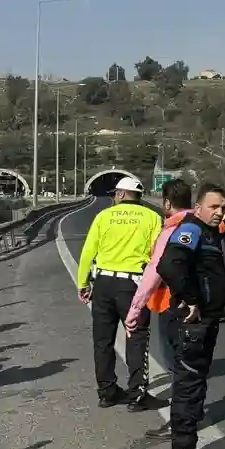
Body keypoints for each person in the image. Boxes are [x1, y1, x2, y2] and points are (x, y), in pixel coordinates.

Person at [157, 181, 225, 449]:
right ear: (198, 206)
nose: (219, 213)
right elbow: (169, 265)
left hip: (206, 322)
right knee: (188, 389)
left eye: (224, 208)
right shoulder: (192, 229)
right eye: (214, 207)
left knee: (196, 386)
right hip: (191, 324)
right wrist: (190, 299)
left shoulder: (210, 233)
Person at [76, 176, 163, 410]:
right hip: (133, 286)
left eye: (115, 194)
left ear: (122, 194)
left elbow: (87, 252)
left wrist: (83, 283)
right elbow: (157, 255)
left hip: (103, 284)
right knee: (136, 337)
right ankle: (137, 394)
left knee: (102, 340)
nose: (114, 197)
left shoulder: (103, 216)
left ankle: (107, 391)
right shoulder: (153, 218)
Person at [126, 178, 194, 440]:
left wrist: (135, 310)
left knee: (176, 368)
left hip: (171, 306)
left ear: (167, 203)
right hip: (196, 308)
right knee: (189, 368)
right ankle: (186, 419)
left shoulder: (172, 231)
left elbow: (154, 273)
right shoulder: (204, 227)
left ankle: (180, 424)